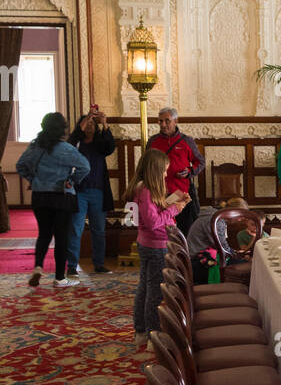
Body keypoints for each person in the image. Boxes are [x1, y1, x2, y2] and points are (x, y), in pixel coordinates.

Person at [16, 112, 90, 289]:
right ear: (62, 129)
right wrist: (72, 180)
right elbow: (85, 167)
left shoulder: (35, 147)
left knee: (44, 234)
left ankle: (38, 266)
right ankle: (59, 278)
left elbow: (20, 166)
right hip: (61, 196)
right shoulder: (66, 149)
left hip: (40, 195)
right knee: (61, 236)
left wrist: (33, 179)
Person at [125, 148, 186, 344]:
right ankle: (152, 335)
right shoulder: (146, 189)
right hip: (155, 245)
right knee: (154, 292)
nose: (166, 174)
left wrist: (173, 202)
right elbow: (153, 222)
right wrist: (174, 209)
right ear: (155, 170)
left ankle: (141, 332)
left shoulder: (143, 188)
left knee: (145, 288)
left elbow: (152, 212)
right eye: (164, 170)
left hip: (148, 242)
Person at [67, 105, 116, 276]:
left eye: (92, 124)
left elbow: (110, 147)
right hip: (79, 191)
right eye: (86, 124)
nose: (89, 127)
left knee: (98, 230)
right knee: (75, 228)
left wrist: (104, 124)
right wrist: (87, 117)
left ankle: (99, 264)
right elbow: (71, 141)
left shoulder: (100, 143)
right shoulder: (76, 143)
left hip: (98, 192)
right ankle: (72, 265)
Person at [146, 107, 205, 237]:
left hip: (181, 195)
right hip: (159, 195)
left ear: (176, 121)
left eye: (167, 121)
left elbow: (200, 162)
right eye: (160, 121)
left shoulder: (186, 140)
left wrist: (189, 171)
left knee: (185, 231)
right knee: (162, 231)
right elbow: (146, 165)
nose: (163, 124)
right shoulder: (152, 141)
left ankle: (184, 257)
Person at [186, 194, 250, 284]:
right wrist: (236, 254)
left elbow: (221, 245)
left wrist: (234, 252)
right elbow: (220, 246)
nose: (240, 220)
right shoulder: (214, 219)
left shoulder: (216, 217)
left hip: (201, 256)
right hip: (198, 262)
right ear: (232, 212)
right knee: (246, 267)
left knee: (241, 261)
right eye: (240, 216)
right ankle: (234, 292)